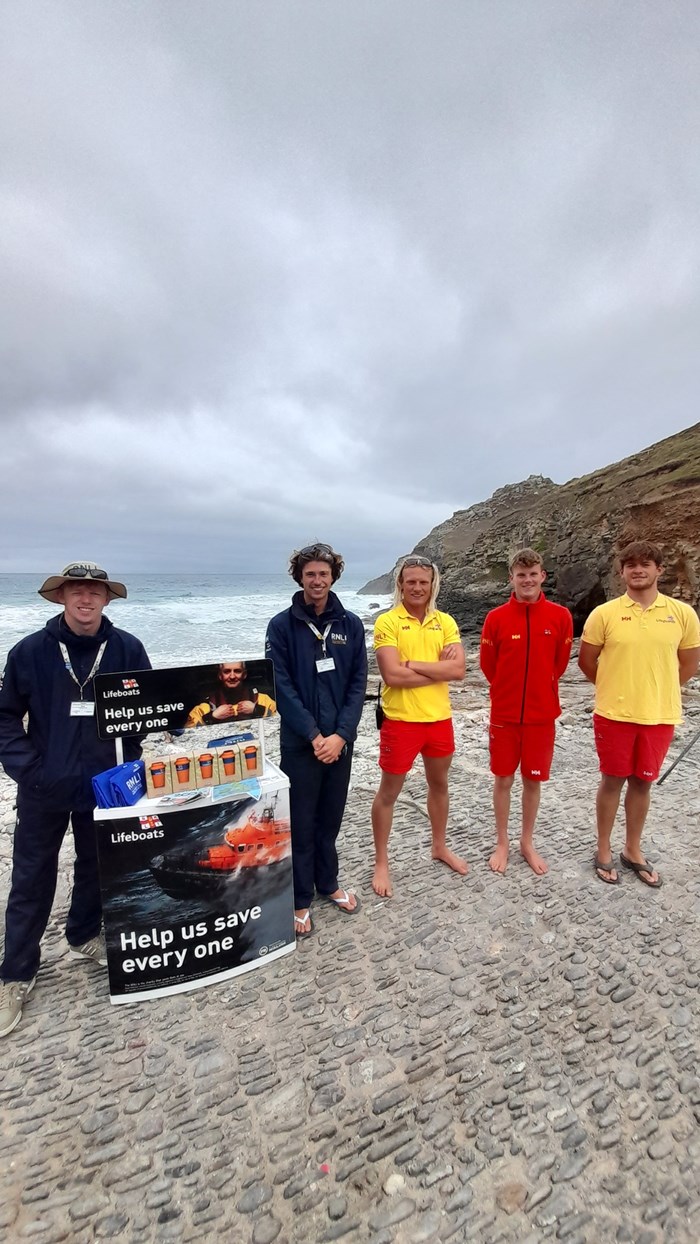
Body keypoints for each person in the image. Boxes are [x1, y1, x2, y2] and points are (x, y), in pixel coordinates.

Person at [0, 562, 151, 1036]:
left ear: (107, 600)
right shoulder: (30, 652)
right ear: (62, 598)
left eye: (94, 592)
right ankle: (15, 974)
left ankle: (84, 933)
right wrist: (30, 770)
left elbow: (146, 708)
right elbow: (5, 718)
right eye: (76, 591)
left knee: (97, 866)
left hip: (104, 784)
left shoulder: (127, 647)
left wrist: (131, 757)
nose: (85, 600)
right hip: (43, 787)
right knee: (30, 878)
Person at [579, 540, 700, 887]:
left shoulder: (681, 614)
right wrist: (615, 686)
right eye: (630, 565)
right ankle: (603, 849)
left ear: (659, 570)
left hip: (659, 715)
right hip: (613, 714)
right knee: (611, 781)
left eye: (646, 564)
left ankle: (632, 849)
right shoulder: (605, 613)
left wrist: (656, 687)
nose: (638, 569)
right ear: (622, 572)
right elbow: (587, 662)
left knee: (643, 782)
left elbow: (689, 664)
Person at [265, 543, 367, 938]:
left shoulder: (351, 624)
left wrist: (341, 735)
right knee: (302, 823)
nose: (317, 581)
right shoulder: (281, 625)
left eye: (324, 574)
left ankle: (329, 883)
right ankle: (300, 899)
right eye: (310, 574)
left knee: (330, 820)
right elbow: (280, 686)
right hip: (300, 743)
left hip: (340, 743)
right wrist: (313, 735)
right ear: (300, 578)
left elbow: (359, 682)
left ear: (333, 576)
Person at [371, 555, 467, 898]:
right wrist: (433, 669)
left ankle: (439, 846)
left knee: (439, 785)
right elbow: (391, 676)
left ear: (432, 585)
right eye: (410, 581)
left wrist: (413, 664)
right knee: (388, 794)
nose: (416, 587)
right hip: (400, 721)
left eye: (422, 582)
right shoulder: (387, 621)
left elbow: (458, 671)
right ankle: (382, 862)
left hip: (439, 719)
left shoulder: (446, 622)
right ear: (400, 584)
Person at [480, 548, 573, 875]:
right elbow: (489, 666)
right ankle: (502, 841)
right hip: (504, 716)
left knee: (533, 781)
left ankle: (527, 841)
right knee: (503, 779)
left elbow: (560, 664)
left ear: (542, 576)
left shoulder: (560, 617)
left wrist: (540, 689)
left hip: (541, 716)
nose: (528, 580)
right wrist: (507, 692)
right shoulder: (496, 618)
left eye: (533, 574)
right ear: (512, 579)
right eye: (521, 575)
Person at [185, 660, 276, 726]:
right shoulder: (204, 708)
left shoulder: (263, 700)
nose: (232, 676)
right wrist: (211, 717)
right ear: (220, 675)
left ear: (244, 674)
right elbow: (188, 733)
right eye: (227, 671)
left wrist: (257, 710)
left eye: (237, 671)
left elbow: (278, 723)